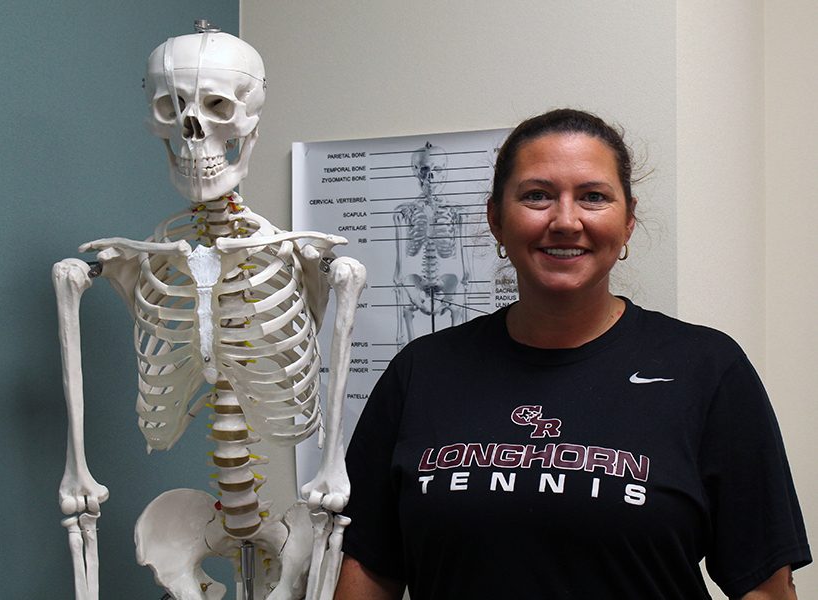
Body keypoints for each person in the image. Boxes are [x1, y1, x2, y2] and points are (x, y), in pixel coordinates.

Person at [335, 109, 811, 599]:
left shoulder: (707, 370)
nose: (565, 221)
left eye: (593, 197)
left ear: (627, 222)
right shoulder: (422, 372)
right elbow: (370, 572)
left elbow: (764, 588)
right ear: (496, 219)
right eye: (537, 195)